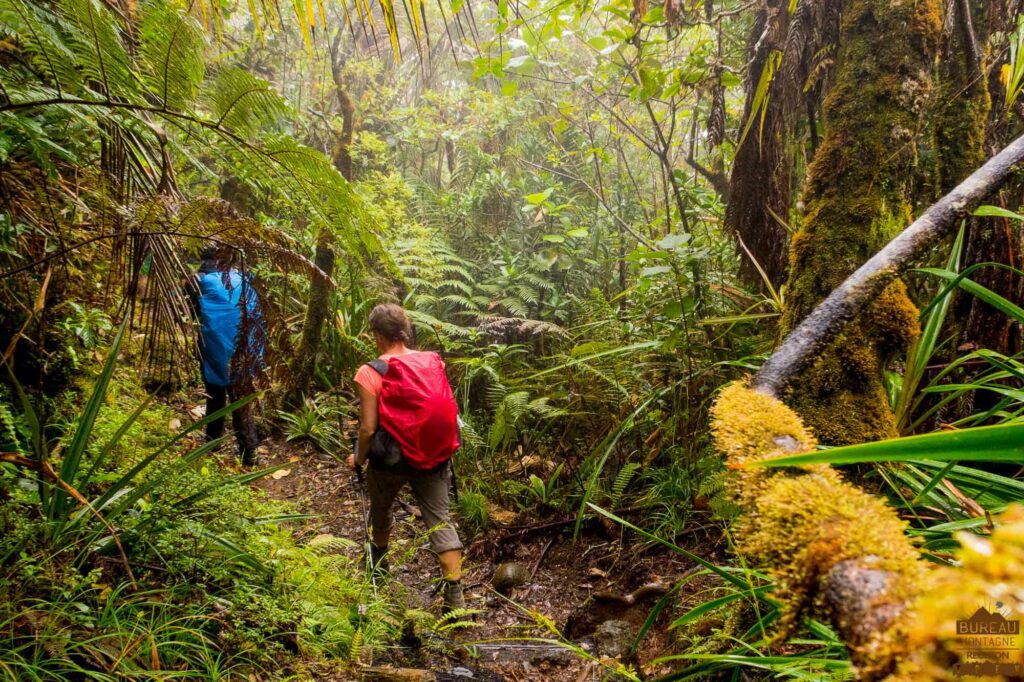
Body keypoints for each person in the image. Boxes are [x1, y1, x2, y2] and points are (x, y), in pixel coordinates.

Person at [346, 303, 465, 613]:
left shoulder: (370, 371)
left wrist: (358, 457)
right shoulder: (431, 361)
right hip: (435, 454)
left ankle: (378, 571)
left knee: (381, 510)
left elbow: (368, 427)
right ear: (405, 331)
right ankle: (456, 598)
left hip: (392, 460)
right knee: (440, 520)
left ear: (377, 335)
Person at [190, 245, 262, 466]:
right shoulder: (243, 276)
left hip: (214, 346)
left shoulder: (198, 280)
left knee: (215, 393)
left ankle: (213, 444)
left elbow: (192, 312)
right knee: (241, 398)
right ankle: (249, 452)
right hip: (244, 346)